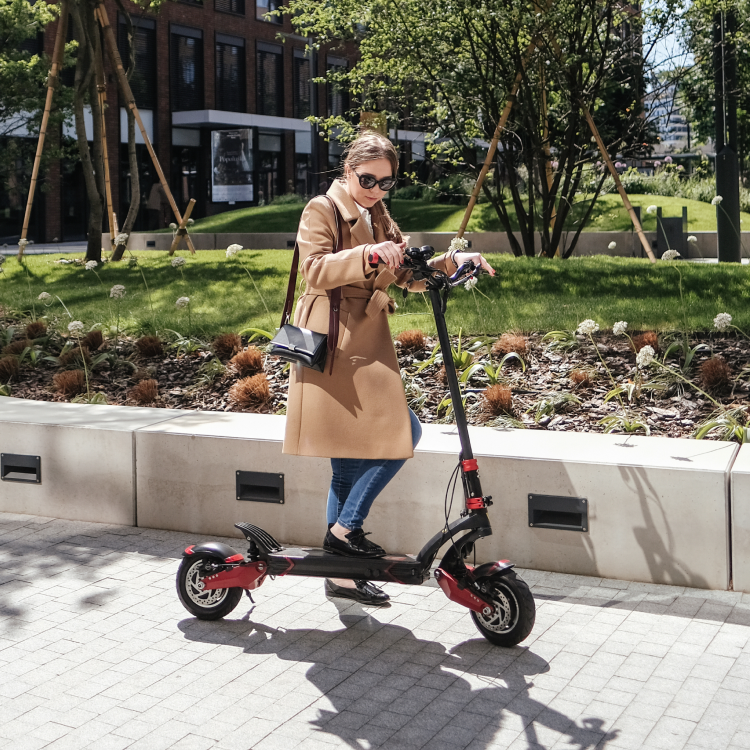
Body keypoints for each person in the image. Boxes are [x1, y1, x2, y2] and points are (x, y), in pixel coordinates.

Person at [283, 130, 495, 606]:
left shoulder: (378, 215)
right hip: (333, 340)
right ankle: (344, 532)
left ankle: (340, 569)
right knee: (404, 434)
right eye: (367, 180)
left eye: (385, 183)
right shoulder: (323, 209)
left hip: (365, 339)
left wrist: (454, 261)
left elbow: (408, 274)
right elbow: (314, 268)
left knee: (349, 458)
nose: (377, 190)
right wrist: (366, 255)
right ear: (347, 170)